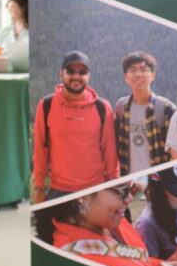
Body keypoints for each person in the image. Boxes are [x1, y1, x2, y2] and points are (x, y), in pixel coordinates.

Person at [33, 181, 177, 266]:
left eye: (133, 189)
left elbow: (132, 257)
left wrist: (162, 265)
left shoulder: (112, 221)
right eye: (123, 191)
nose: (130, 198)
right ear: (83, 197)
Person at [32, 51, 118, 203]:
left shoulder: (102, 107)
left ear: (88, 76)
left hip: (95, 189)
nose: (76, 76)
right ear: (61, 74)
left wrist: (114, 186)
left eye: (82, 72)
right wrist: (39, 187)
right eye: (70, 71)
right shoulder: (46, 105)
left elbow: (110, 152)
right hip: (59, 189)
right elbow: (40, 149)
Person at [114, 51, 177, 175]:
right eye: (132, 70)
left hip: (159, 182)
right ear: (125, 77)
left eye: (144, 70)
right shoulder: (121, 107)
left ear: (153, 75)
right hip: (130, 182)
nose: (138, 74)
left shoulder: (165, 109)